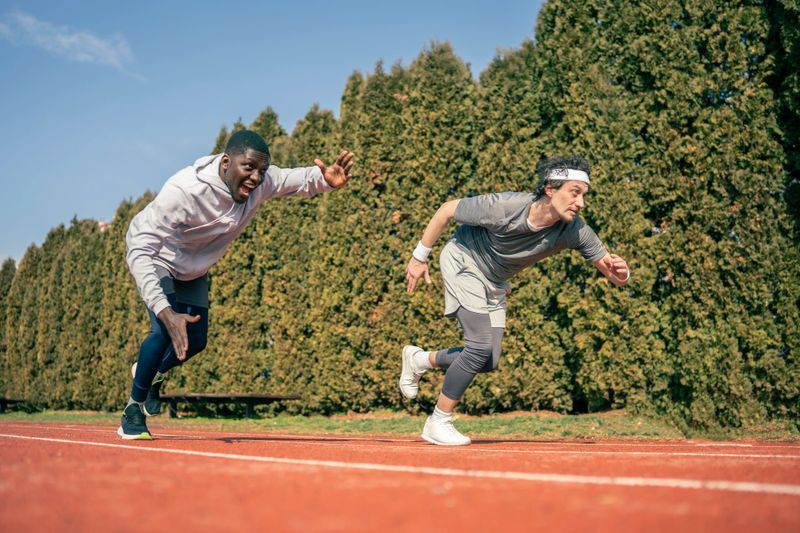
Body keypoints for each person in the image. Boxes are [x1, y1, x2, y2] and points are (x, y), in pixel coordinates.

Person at [119, 130, 354, 439]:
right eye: (248, 168)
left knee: (196, 342)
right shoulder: (184, 190)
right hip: (159, 257)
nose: (256, 178)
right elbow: (140, 248)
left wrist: (323, 180)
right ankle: (133, 409)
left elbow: (292, 179)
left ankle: (150, 373)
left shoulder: (261, 182)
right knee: (165, 329)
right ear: (227, 162)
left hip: (194, 269)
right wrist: (163, 309)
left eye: (262, 171)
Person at [400, 155, 630, 446]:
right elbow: (447, 210)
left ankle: (420, 360)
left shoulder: (574, 229)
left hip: (495, 281)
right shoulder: (505, 207)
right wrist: (419, 257)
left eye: (584, 195)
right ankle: (438, 421)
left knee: (488, 359)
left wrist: (621, 273)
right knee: (479, 345)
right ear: (550, 189)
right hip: (464, 260)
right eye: (574, 192)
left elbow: (611, 271)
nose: (581, 203)